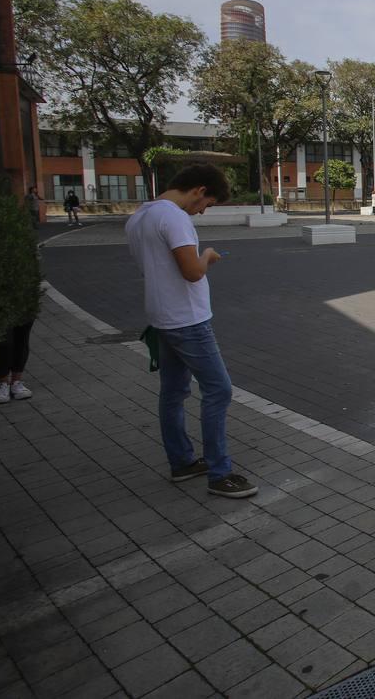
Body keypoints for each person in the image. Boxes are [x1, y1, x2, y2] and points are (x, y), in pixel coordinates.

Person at [125, 164, 258, 500]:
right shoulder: (173, 218)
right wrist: (207, 256)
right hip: (188, 320)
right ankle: (220, 472)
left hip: (161, 317)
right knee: (219, 391)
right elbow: (192, 273)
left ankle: (182, 461)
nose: (201, 212)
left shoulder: (140, 216)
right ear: (199, 190)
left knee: (173, 392)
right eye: (207, 204)